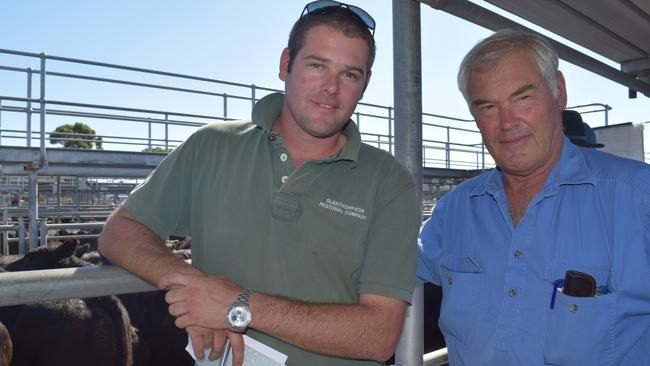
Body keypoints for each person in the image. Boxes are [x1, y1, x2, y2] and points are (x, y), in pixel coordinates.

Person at [98, 2, 420, 366]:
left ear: (365, 84)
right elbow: (119, 230)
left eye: (350, 74)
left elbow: (378, 338)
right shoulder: (212, 145)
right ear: (285, 64)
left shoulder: (389, 181)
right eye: (317, 65)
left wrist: (237, 306)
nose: (331, 88)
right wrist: (193, 286)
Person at [416, 29, 650, 365]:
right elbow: (382, 272)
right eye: (488, 107)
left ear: (559, 93)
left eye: (522, 98)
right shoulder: (452, 213)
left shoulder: (639, 197)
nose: (507, 123)